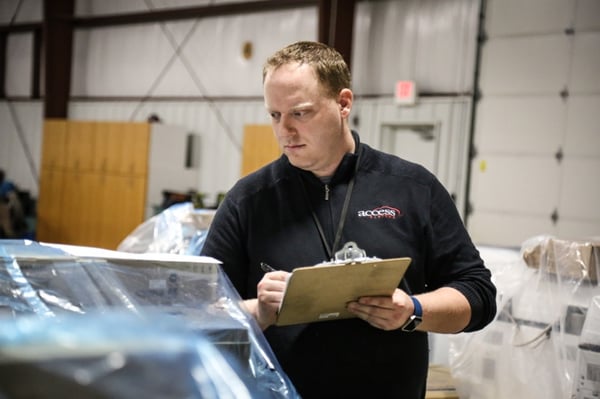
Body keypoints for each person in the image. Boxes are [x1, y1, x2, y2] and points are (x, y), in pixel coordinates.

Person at [200, 41, 496, 398]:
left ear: (343, 104)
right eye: (275, 115)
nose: (284, 131)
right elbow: (202, 315)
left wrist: (413, 310)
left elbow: (478, 295)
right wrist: (259, 312)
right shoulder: (248, 201)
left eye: (300, 113)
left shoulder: (413, 189)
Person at [0, 169, 26, 238]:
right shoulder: (8, 185)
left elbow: (12, 196)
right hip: (7, 207)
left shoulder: (7, 185)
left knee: (7, 227)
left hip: (6, 207)